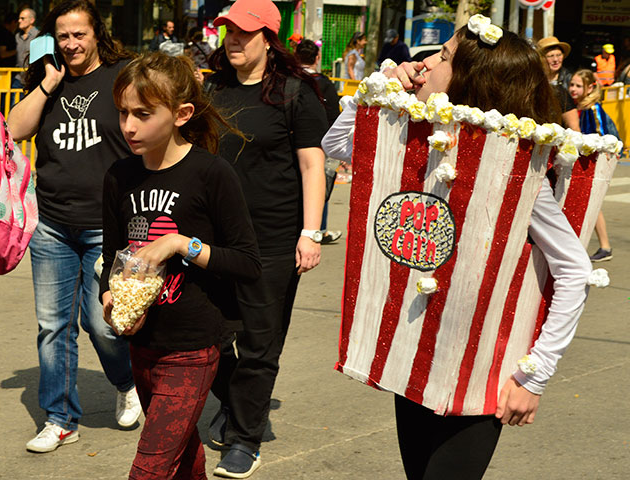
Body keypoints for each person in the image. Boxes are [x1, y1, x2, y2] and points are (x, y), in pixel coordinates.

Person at [323, 18, 591, 480]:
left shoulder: (516, 170)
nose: (426, 62)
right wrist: (378, 87)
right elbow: (338, 143)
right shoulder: (418, 142)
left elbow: (574, 271)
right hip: (415, 358)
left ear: (471, 80)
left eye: (443, 56)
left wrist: (535, 376)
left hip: (479, 375)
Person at [101, 52, 261, 480]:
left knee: (149, 468)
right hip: (140, 343)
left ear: (181, 113)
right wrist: (109, 297)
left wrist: (179, 244)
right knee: (183, 455)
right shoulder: (119, 175)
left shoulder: (212, 173)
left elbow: (247, 262)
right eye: (123, 113)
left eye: (142, 114)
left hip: (192, 347)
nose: (129, 126)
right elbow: (111, 254)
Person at [6, 0, 140, 453]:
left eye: (79, 34)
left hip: (109, 224)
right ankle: (61, 418)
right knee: (52, 326)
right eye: (63, 36)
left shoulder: (123, 75)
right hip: (53, 225)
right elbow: (12, 128)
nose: (71, 44)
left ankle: (127, 381)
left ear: (96, 34)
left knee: (102, 324)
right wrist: (46, 85)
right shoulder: (49, 78)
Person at [205, 0, 328, 476]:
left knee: (259, 346)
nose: (233, 39)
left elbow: (312, 165)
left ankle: (245, 438)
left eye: (244, 32)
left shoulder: (295, 93)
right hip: (214, 240)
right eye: (228, 31)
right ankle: (240, 403)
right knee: (207, 337)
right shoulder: (212, 88)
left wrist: (310, 232)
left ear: (269, 39)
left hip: (273, 240)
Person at [296, 38, 342, 244]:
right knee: (319, 186)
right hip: (320, 145)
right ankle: (319, 229)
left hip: (292, 145)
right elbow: (334, 116)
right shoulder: (325, 84)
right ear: (317, 58)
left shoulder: (287, 81)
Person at [568, 69, 617, 262]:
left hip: (592, 163)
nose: (573, 89)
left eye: (578, 86)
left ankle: (604, 246)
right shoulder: (577, 106)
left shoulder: (592, 109)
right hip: (582, 162)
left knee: (592, 205)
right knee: (590, 205)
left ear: (590, 87)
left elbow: (602, 136)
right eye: (572, 84)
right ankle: (602, 246)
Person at [538, 36, 579, 131]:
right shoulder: (536, 80)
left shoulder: (570, 79)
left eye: (559, 55)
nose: (556, 60)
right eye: (551, 56)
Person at [12, 8, 39, 105]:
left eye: (22, 18)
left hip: (33, 78)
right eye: (19, 18)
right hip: (18, 77)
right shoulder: (17, 36)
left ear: (32, 20)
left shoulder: (38, 35)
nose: (19, 21)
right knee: (14, 106)